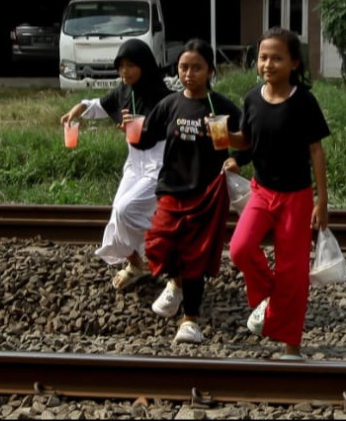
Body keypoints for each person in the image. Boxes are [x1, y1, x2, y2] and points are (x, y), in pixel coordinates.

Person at [134, 40, 247, 344]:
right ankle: (174, 284)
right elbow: (146, 137)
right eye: (183, 67)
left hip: (207, 190)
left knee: (194, 257)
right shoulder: (170, 104)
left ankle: (190, 320)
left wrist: (236, 158)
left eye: (196, 67)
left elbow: (248, 139)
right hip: (172, 187)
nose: (188, 73)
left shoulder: (220, 106)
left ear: (210, 70)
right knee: (159, 243)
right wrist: (130, 131)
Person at [227, 27, 330, 360]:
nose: (268, 64)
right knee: (240, 249)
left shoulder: (303, 101)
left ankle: (291, 346)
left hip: (296, 197)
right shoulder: (252, 97)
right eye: (262, 57)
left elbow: (316, 151)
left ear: (294, 63)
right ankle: (272, 299)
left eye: (277, 58)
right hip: (262, 191)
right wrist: (227, 142)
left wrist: (321, 202)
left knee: (294, 272)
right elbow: (248, 139)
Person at [60, 38, 170, 290]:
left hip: (158, 163)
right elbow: (101, 104)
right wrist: (79, 108)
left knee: (126, 210)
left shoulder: (163, 97)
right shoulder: (124, 91)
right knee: (117, 214)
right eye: (120, 66)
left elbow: (172, 122)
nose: (125, 72)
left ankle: (166, 249)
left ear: (144, 65)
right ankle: (136, 264)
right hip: (134, 163)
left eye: (131, 65)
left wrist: (139, 128)